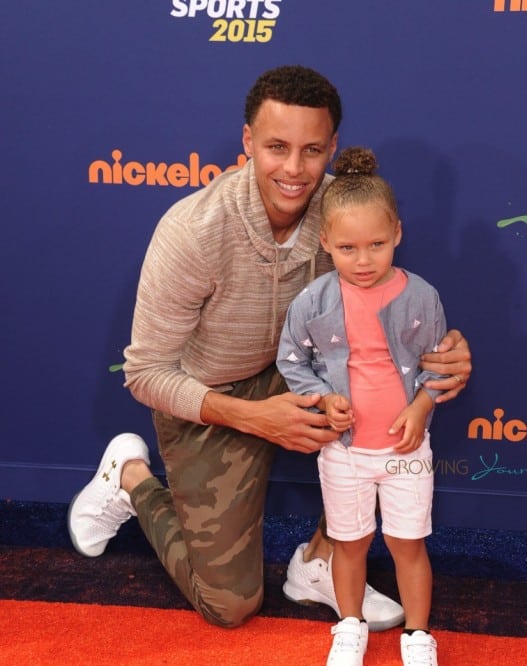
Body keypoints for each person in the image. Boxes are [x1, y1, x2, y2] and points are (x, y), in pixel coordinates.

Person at [68, 66, 471, 633]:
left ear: (332, 148)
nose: (294, 168)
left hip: (305, 374)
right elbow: (146, 374)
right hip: (212, 393)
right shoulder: (192, 230)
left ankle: (321, 563)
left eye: (312, 150)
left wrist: (445, 352)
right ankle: (131, 480)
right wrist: (254, 417)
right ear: (247, 142)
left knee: (386, 397)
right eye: (276, 147)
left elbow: (394, 306)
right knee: (229, 605)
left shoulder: (344, 209)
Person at [276, 146, 444, 666]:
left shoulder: (421, 295)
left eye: (376, 244)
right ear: (325, 243)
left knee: (407, 546)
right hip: (344, 451)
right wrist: (324, 398)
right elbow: (291, 361)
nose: (363, 259)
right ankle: (349, 626)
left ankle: (418, 640)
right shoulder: (312, 301)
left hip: (404, 454)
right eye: (347, 247)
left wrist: (421, 405)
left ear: (397, 231)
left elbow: (438, 365)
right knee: (348, 544)